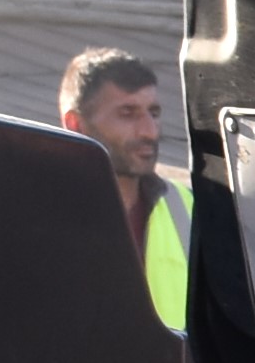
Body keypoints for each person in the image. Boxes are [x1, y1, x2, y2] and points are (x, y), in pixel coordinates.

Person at [60, 47, 192, 335]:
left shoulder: (188, 207)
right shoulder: (43, 212)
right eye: (128, 114)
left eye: (153, 113)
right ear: (75, 124)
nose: (149, 131)